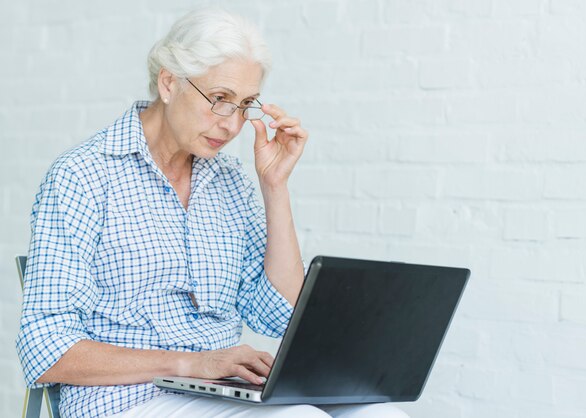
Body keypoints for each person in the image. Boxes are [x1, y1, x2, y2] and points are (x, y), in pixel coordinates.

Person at [16, 8, 409, 418]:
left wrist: (275, 186)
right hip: (125, 400)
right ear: (169, 83)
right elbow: (47, 349)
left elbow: (281, 313)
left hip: (220, 391)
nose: (232, 124)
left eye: (245, 105)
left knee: (383, 415)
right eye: (219, 99)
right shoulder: (83, 176)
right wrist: (191, 364)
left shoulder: (229, 180)